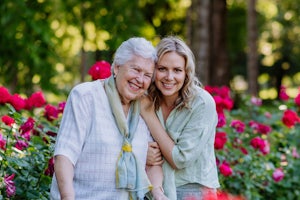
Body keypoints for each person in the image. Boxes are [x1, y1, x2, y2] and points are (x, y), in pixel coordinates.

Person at [50, 37, 167, 200]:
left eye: (147, 75)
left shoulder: (143, 108)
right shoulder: (86, 96)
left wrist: (159, 194)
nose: (140, 80)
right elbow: (65, 155)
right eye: (135, 70)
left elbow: (153, 163)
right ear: (117, 68)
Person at [141, 36, 220, 200]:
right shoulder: (145, 98)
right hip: (150, 190)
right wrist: (141, 152)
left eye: (177, 70)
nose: (169, 77)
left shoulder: (202, 104)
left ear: (186, 73)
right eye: (162, 68)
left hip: (192, 191)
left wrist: (149, 115)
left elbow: (180, 159)